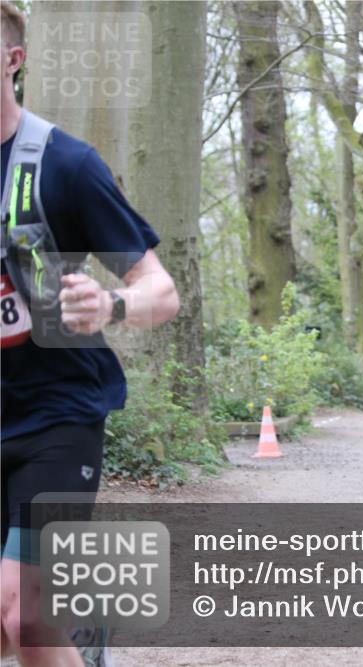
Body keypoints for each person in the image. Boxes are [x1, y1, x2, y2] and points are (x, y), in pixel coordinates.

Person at [0, 3, 180, 665]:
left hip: (57, 416)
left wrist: (108, 303)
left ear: (13, 60)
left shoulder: (64, 163)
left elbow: (161, 290)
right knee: (22, 622)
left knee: (21, 612)